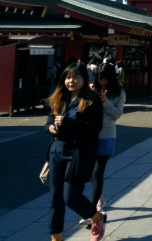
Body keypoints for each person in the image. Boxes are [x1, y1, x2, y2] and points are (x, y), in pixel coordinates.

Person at [45, 63, 105, 241]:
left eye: (76, 77)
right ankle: (56, 236)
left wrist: (69, 123)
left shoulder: (92, 99)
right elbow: (49, 119)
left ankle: (96, 218)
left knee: (70, 197)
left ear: (84, 79)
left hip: (78, 153)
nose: (71, 81)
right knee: (55, 198)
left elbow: (95, 128)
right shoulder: (60, 97)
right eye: (68, 77)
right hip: (57, 150)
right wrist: (50, 127)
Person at [78, 63, 125, 227]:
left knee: (98, 172)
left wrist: (105, 101)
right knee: (91, 172)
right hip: (91, 135)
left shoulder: (119, 93)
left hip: (107, 135)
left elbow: (117, 115)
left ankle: (92, 212)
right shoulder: (92, 90)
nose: (102, 82)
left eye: (105, 79)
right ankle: (98, 198)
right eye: (100, 78)